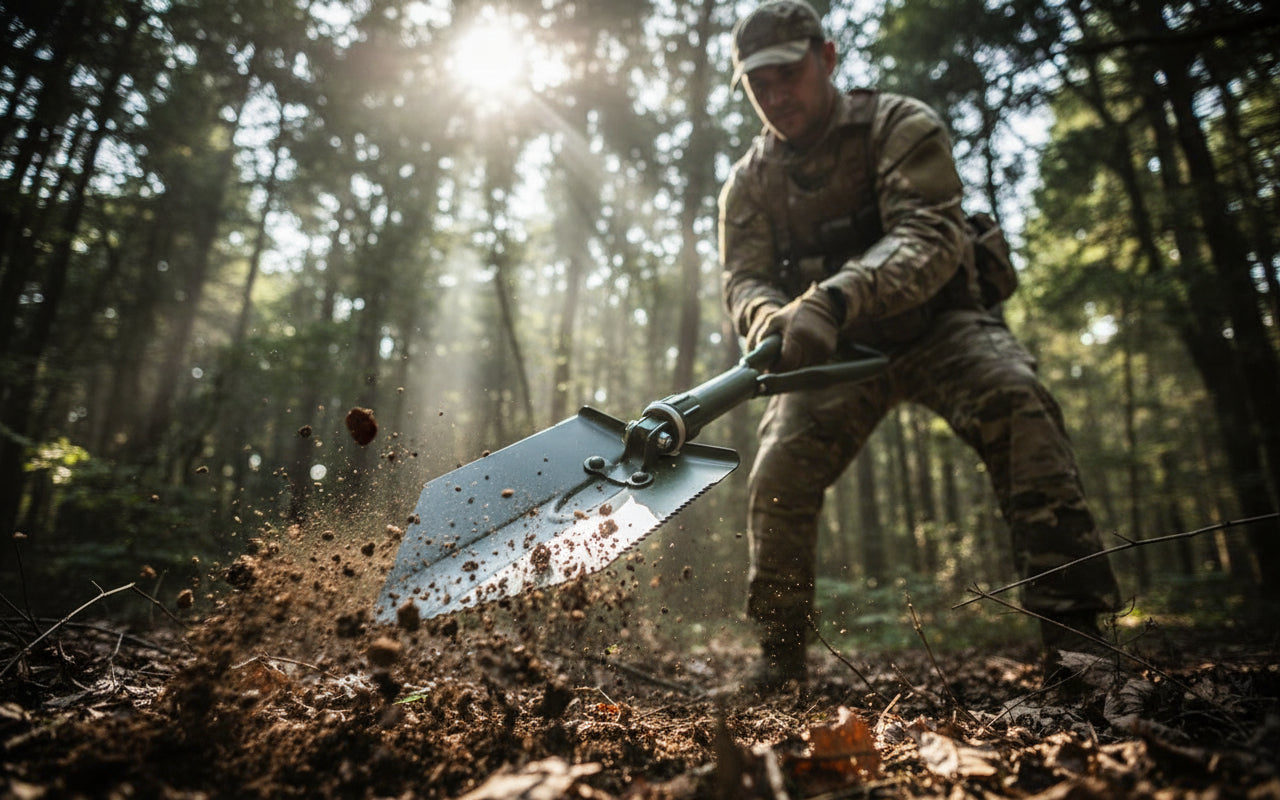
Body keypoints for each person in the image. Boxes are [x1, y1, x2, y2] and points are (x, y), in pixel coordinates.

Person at [717, 0, 1121, 690]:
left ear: (827, 57)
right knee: (779, 469)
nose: (776, 96)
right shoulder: (750, 182)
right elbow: (744, 277)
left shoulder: (899, 125)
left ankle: (1079, 645)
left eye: (788, 73)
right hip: (836, 355)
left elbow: (932, 238)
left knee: (1019, 405)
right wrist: (764, 318)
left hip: (941, 326)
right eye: (760, 85)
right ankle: (779, 665)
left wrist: (833, 299)